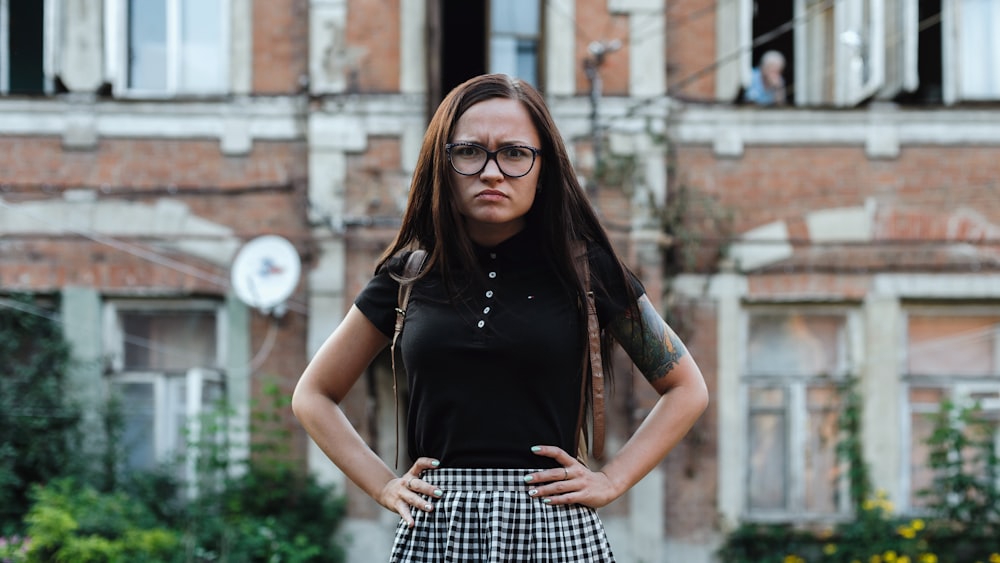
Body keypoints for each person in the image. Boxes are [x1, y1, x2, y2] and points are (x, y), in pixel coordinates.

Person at [292, 73, 709, 562]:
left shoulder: (588, 273)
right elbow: (313, 395)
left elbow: (687, 388)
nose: (492, 171)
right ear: (442, 165)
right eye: (470, 151)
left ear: (544, 168)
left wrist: (613, 479)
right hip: (438, 530)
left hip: (553, 527)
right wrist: (384, 486)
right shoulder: (408, 275)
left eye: (514, 153)